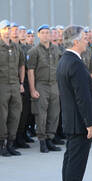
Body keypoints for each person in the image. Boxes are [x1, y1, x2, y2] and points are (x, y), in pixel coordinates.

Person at [57, 25, 92, 181]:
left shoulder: (64, 60)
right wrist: (90, 124)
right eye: (84, 39)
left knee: (70, 161)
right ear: (75, 42)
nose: (87, 41)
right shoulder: (75, 64)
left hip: (71, 120)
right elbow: (83, 98)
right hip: (79, 123)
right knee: (76, 165)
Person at [0, 20, 25, 157]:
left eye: (10, 28)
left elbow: (22, 65)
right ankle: (3, 144)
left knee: (15, 114)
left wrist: (21, 83)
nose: (8, 31)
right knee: (3, 116)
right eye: (5, 28)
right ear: (1, 31)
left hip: (15, 84)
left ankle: (11, 143)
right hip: (1, 85)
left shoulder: (16, 47)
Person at [27, 24, 62, 153]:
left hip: (54, 84)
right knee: (41, 114)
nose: (46, 35)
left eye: (48, 32)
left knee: (54, 113)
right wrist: (32, 89)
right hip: (41, 85)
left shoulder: (56, 49)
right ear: (39, 35)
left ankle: (50, 139)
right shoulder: (34, 51)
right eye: (43, 33)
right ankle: (42, 141)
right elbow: (30, 71)